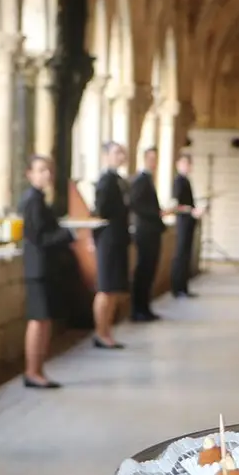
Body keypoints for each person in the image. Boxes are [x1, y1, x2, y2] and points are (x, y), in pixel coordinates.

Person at [18, 155, 74, 388]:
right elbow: (38, 237)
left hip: (44, 267)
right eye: (40, 170)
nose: (46, 175)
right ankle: (32, 372)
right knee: (38, 320)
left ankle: (39, 369)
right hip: (37, 267)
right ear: (29, 174)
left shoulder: (39, 199)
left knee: (44, 320)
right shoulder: (32, 200)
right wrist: (67, 234)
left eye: (49, 170)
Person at [91, 142, 131, 349]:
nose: (121, 156)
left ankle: (108, 330)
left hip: (119, 238)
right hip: (108, 239)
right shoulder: (105, 181)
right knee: (106, 287)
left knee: (114, 287)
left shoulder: (119, 181)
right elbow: (101, 211)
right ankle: (100, 331)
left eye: (122, 153)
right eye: (116, 153)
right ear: (105, 156)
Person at [129, 148, 166, 321]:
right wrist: (155, 213)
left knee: (150, 270)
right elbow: (135, 203)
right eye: (151, 158)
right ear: (144, 159)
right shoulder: (140, 180)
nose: (154, 162)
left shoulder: (149, 179)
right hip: (145, 231)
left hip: (152, 231)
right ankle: (138, 309)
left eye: (156, 159)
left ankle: (145, 307)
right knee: (143, 270)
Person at [169, 152, 202, 298]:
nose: (187, 166)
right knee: (181, 254)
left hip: (188, 220)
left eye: (189, 164)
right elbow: (177, 204)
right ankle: (178, 288)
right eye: (184, 163)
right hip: (183, 220)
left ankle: (183, 286)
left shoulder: (186, 180)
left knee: (186, 254)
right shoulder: (179, 181)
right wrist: (192, 210)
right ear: (178, 165)